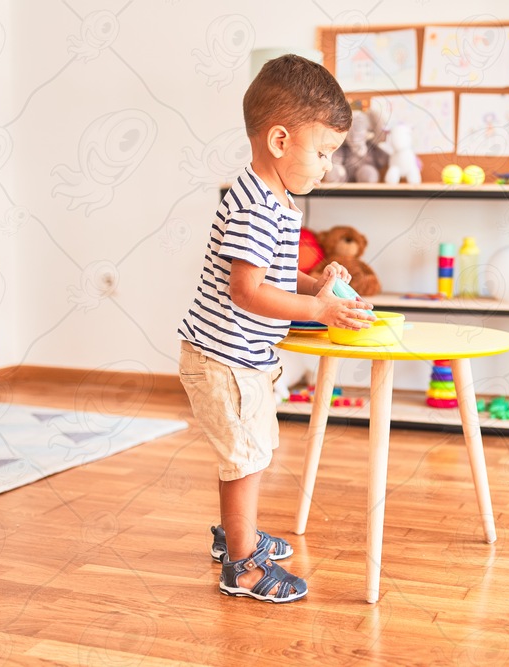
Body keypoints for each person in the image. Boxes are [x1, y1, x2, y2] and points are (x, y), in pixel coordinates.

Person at [177, 54, 374, 603]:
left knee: (249, 451)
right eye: (323, 153)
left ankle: (233, 535)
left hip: (235, 358)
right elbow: (247, 291)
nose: (327, 167)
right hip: (225, 361)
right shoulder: (256, 208)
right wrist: (319, 312)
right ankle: (241, 566)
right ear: (280, 141)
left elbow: (271, 274)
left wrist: (316, 285)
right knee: (248, 455)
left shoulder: (269, 196)